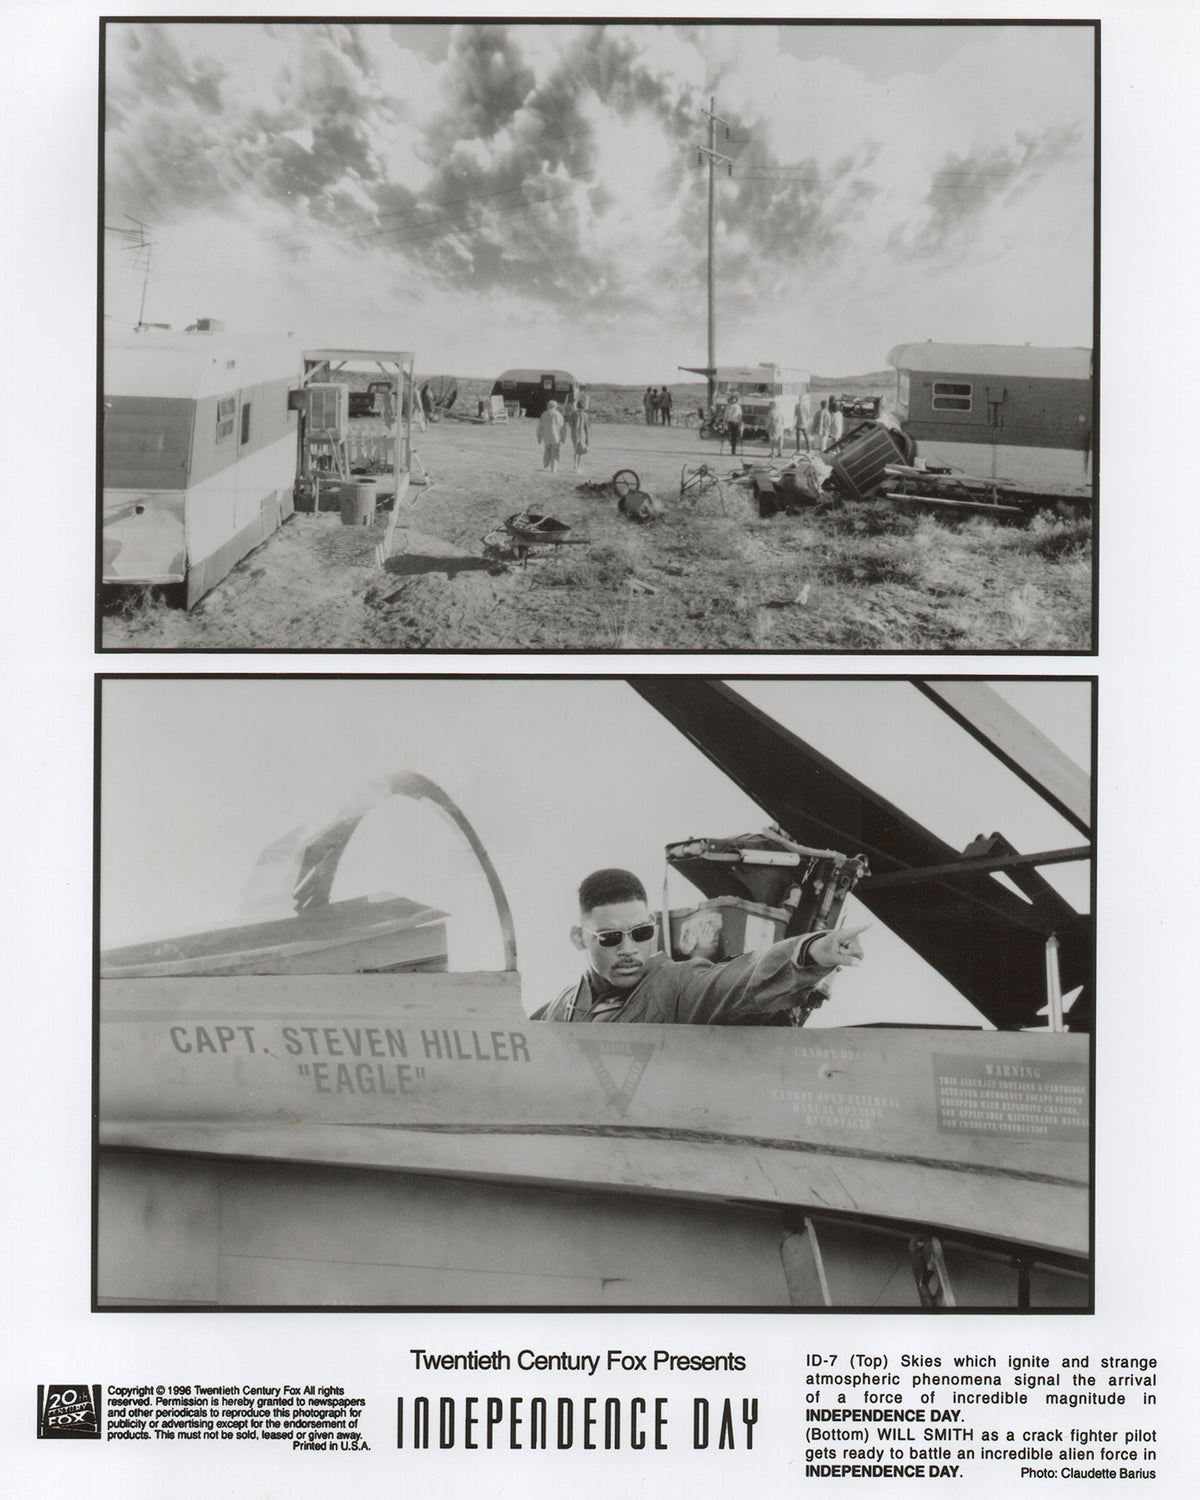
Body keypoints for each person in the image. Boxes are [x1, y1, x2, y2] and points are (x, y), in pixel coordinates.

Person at [533, 868, 867, 1024]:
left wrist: (809, 953)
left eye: (641, 932)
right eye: (610, 938)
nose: (630, 950)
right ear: (579, 938)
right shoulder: (562, 1007)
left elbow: (736, 979)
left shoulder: (676, 986)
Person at [537, 400, 565, 472]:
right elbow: (561, 427)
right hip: (556, 436)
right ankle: (554, 469)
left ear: (548, 406)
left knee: (547, 450)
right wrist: (563, 436)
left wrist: (539, 436)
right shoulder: (558, 415)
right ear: (556, 406)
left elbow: (540, 426)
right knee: (555, 452)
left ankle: (545, 464)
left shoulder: (544, 414)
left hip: (546, 436)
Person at [568, 392, 590, 472]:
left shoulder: (573, 414)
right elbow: (586, 427)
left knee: (575, 450)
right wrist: (588, 438)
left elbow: (570, 424)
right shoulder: (585, 415)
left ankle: (574, 465)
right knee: (580, 451)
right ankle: (577, 467)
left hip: (574, 434)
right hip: (581, 435)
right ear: (584, 407)